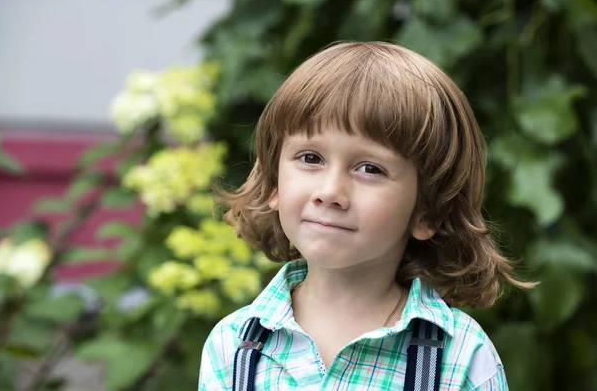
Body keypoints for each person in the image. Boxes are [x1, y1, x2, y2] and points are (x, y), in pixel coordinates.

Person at [198, 41, 533, 390]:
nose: (329, 192)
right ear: (274, 185)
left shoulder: (461, 357)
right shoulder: (233, 348)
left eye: (370, 168)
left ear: (426, 211)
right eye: (311, 158)